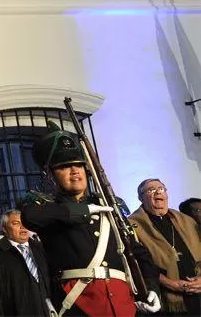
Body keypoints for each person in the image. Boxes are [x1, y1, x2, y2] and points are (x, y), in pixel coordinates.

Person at [19, 122, 162, 317]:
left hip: (123, 305)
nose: (75, 170)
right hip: (79, 305)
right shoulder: (48, 209)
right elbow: (31, 217)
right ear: (51, 175)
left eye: (79, 165)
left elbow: (139, 254)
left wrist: (152, 287)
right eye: (65, 166)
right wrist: (83, 210)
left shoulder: (110, 207)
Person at [128, 179, 201, 315]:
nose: (157, 192)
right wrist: (169, 283)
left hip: (197, 293)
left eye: (161, 189)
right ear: (141, 198)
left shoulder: (187, 221)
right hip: (164, 299)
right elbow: (137, 263)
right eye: (151, 190)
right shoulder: (132, 226)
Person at [0, 209, 53, 316]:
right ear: (4, 228)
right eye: (16, 223)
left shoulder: (40, 248)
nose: (23, 227)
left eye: (25, 223)